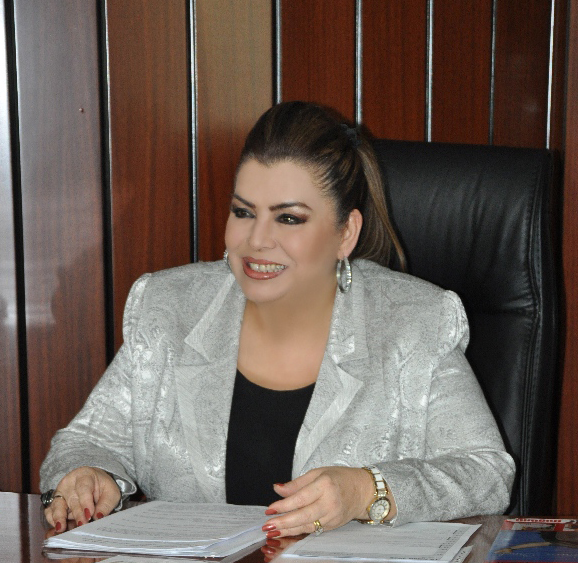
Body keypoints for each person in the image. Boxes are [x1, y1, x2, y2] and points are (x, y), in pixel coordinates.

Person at [40, 101, 515, 538]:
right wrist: (87, 474)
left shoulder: (414, 322)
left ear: (345, 233)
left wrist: (364, 490)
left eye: (288, 218)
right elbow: (88, 441)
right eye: (243, 212)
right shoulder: (169, 309)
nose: (256, 240)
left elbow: (486, 472)